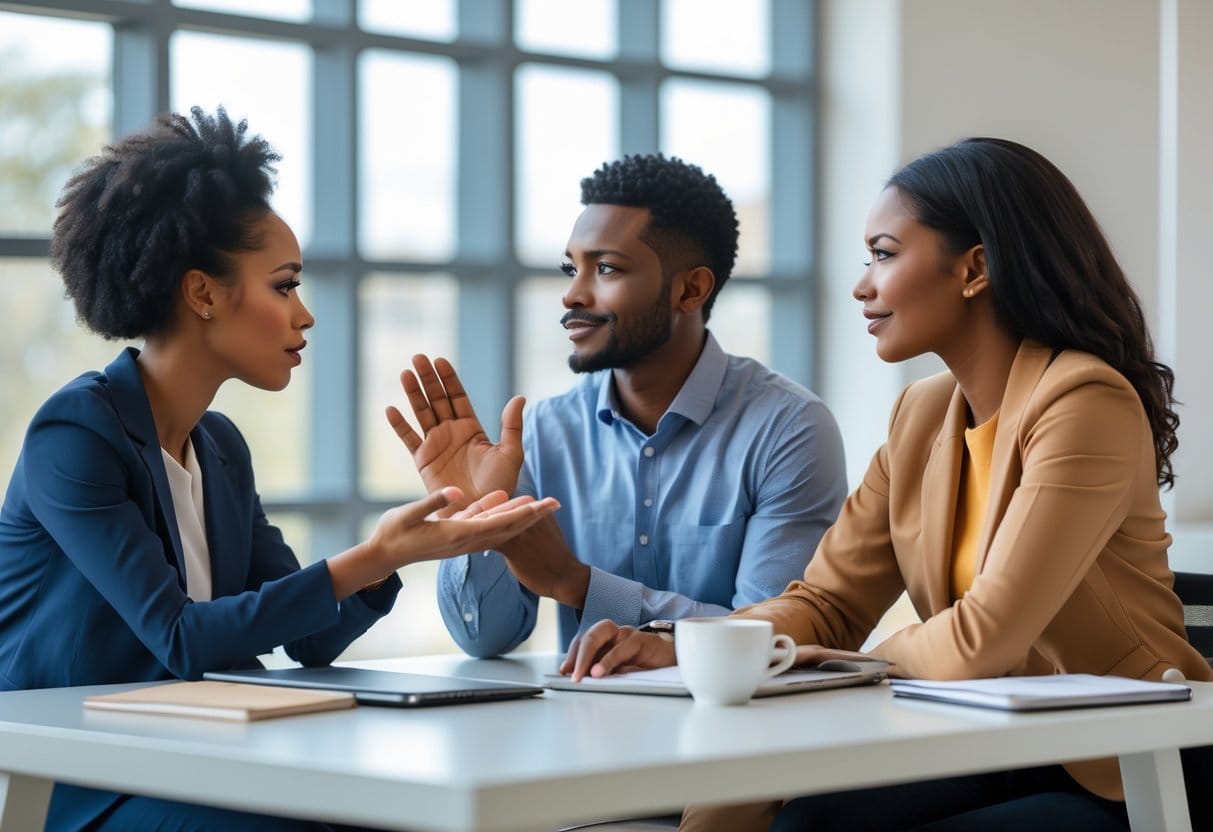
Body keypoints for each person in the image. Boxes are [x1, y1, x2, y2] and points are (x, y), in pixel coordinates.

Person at [562, 137, 1213, 832]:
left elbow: (983, 638)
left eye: (883, 253)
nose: (860, 284)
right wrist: (691, 643)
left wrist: (832, 667)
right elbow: (827, 599)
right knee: (789, 808)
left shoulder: (1084, 400)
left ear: (974, 268)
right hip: (992, 739)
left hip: (1127, 766)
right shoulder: (921, 413)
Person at [0, 107, 558, 832]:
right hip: (85, 780)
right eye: (284, 286)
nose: (305, 316)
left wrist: (416, 545)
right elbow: (180, 636)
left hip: (201, 758)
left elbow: (310, 639)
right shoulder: (75, 436)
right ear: (202, 293)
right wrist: (375, 552)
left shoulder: (220, 447)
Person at [389, 153, 847, 657]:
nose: (571, 294)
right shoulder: (544, 432)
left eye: (605, 268)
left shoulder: (789, 430)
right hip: (586, 730)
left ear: (690, 290)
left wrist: (577, 583)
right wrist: (476, 518)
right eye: (571, 268)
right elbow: (485, 638)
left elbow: (771, 636)